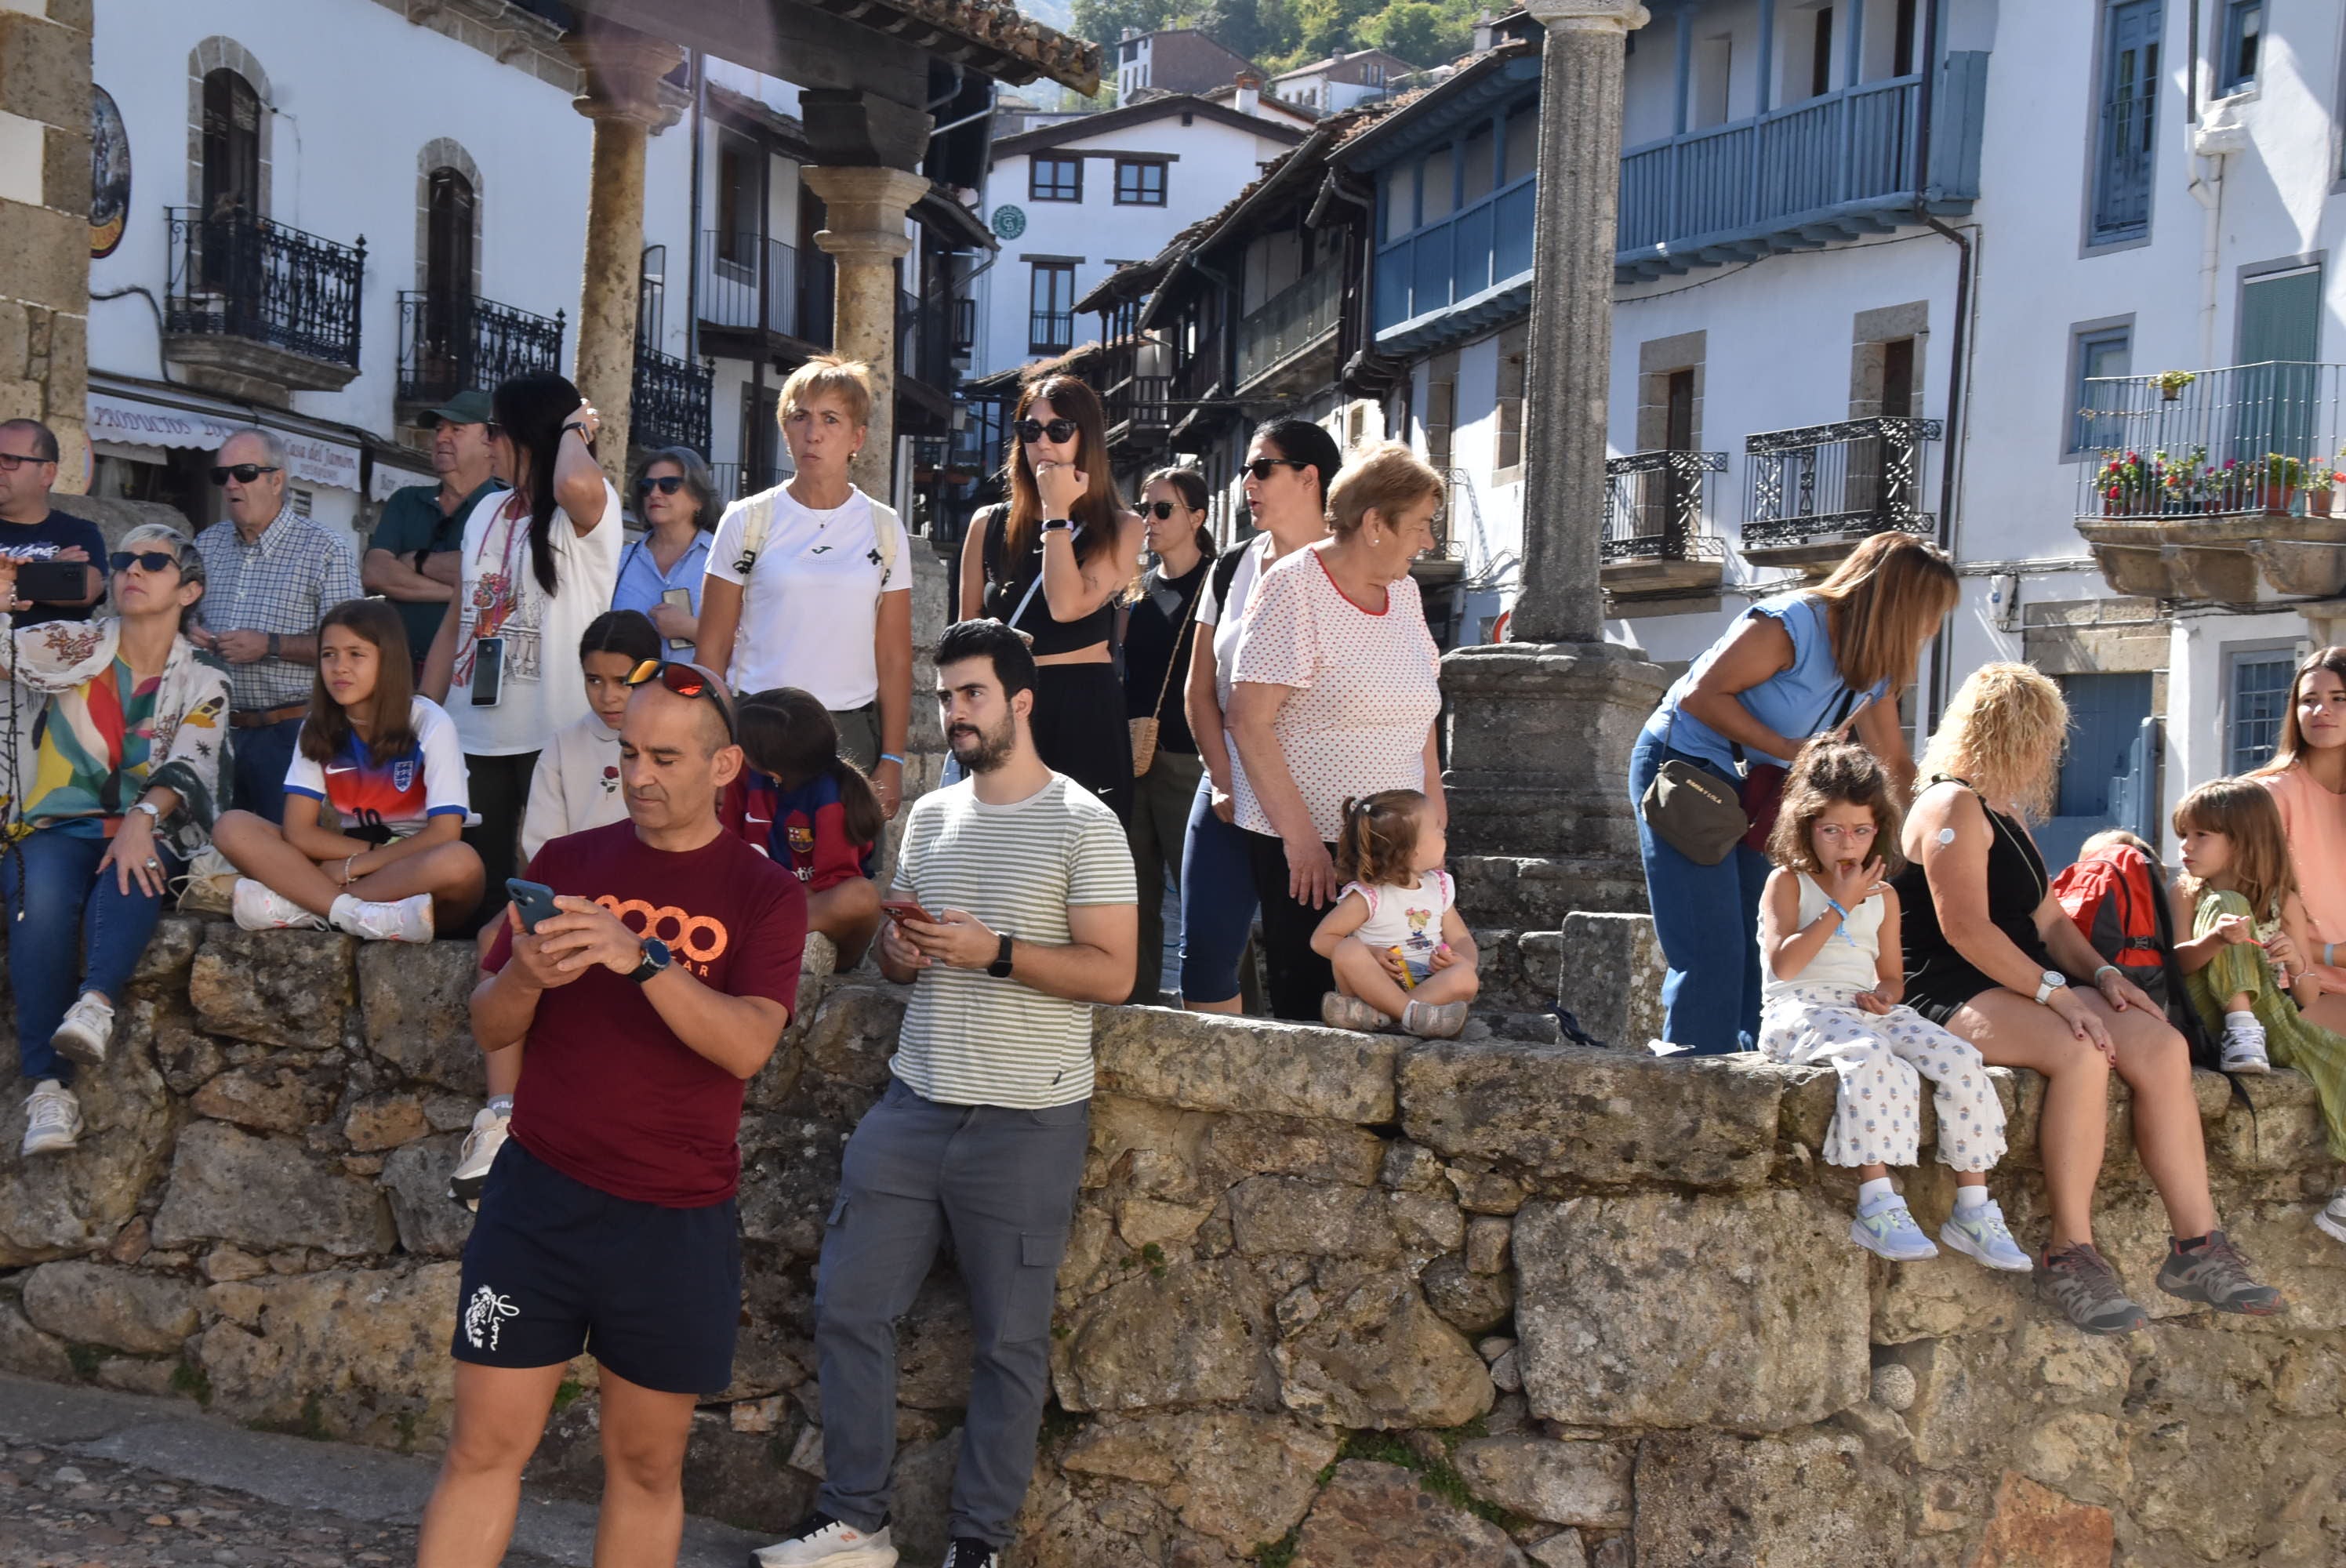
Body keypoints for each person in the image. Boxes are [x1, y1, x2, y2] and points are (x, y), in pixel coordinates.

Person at [755, 619, 1135, 1568]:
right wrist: (904, 948)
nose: (954, 713)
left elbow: (1114, 972)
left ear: (1020, 700)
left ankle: (978, 1546)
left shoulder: (1087, 822)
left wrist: (995, 951)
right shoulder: (928, 814)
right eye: (943, 698)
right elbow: (896, 961)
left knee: (1009, 1343)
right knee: (848, 1305)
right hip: (916, 1099)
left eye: (970, 694)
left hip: (1028, 1115)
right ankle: (856, 1520)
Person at [416, 660, 807, 1568]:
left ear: (723, 766)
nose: (638, 774)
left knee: (643, 1466)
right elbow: (489, 1020)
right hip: (537, 1202)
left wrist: (641, 959)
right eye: (629, 751)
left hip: (673, 1219)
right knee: (481, 1448)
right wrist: (524, 973)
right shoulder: (566, 863)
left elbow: (749, 1044)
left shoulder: (765, 894)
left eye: (665, 756)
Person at [1894, 662, 2283, 1334]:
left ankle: (2198, 1247)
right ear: (2014, 735)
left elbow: (2050, 924)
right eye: (2043, 739)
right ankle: (2070, 1249)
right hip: (1946, 984)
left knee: (2159, 1044)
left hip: (2024, 978)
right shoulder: (1948, 804)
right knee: (2080, 1051)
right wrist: (2057, 995)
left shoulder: (2004, 814)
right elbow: (1963, 929)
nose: (2050, 756)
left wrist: (2106, 978)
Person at [1629, 532, 1959, 1054]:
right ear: (1898, 604)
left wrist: (1952, 813)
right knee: (1712, 943)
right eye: (1930, 611)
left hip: (1758, 795)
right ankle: (1695, 1080)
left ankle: (1747, 1070)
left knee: (1756, 946)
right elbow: (1699, 697)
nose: (1932, 628)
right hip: (1689, 773)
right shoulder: (1790, 625)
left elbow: (1893, 762)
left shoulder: (1872, 670)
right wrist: (1789, 746)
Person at [1755, 736, 2029, 1270]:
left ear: (1878, 829)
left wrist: (1885, 997)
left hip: (1862, 1010)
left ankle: (1973, 1207)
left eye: (1860, 830)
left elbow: (1891, 978)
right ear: (1807, 827)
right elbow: (1783, 966)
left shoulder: (1886, 896)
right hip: (1801, 1011)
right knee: (1874, 1062)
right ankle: (1877, 1201)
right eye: (1832, 830)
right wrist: (1839, 904)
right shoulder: (1787, 882)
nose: (1846, 844)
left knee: (1958, 1059)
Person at [0, 527, 228, 1156]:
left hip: (154, 827)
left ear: (189, 589)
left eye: (152, 562)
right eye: (123, 560)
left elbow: (193, 762)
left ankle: (96, 1002)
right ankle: (50, 1089)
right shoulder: (75, 641)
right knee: (37, 895)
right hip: (58, 824)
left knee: (136, 866)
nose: (132, 569)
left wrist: (142, 819)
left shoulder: (203, 674)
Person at [448, 608, 664, 1206]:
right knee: (497, 941)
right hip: (572, 901)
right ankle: (501, 1115)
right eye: (595, 680)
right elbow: (541, 848)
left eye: (624, 680)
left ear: (654, 672)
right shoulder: (565, 746)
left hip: (648, 910)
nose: (608, 695)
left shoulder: (675, 742)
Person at [1227, 441, 1444, 1023]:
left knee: (1400, 1006)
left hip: (1397, 848)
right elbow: (1249, 720)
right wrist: (1301, 842)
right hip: (1312, 852)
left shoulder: (1406, 593)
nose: (1429, 542)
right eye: (1421, 526)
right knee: (1317, 1018)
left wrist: (1435, 821)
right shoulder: (1293, 585)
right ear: (1375, 523)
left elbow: (1421, 711)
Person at [422, 372, 620, 913]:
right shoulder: (485, 510)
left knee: (553, 884)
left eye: (494, 429)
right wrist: (425, 712)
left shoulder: (586, 509)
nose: (486, 441)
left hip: (553, 732)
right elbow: (456, 620)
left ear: (528, 434)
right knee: (474, 893)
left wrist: (574, 429)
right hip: (472, 732)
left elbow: (573, 485)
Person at [696, 357, 911, 815]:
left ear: (857, 438)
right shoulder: (746, 519)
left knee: (845, 880)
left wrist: (891, 758)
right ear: (785, 429)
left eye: (830, 419)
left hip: (849, 735)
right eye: (801, 417)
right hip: (757, 727)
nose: (814, 433)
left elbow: (893, 655)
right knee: (751, 873)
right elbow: (711, 648)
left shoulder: (885, 527)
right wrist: (710, 752)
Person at [1178, 418, 1341, 1014]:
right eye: (1246, 469)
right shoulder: (1230, 567)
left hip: (1317, 796)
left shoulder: (1348, 567)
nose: (1246, 481)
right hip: (1227, 786)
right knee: (1204, 959)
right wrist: (1221, 777)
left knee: (1309, 968)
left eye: (1261, 467)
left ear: (1309, 477)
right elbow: (1200, 691)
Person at [212, 598, 481, 943]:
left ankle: (307, 907)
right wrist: (361, 859)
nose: (339, 667)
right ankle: (351, 915)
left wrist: (357, 867)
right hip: (353, 856)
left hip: (416, 865)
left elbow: (444, 834)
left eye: (356, 654)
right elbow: (299, 832)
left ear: (388, 660)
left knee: (460, 863)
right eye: (329, 654)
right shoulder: (318, 725)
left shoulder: (429, 721)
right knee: (233, 826)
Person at [959, 375, 1145, 822]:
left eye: (1059, 430)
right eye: (1030, 430)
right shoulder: (987, 523)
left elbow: (1066, 606)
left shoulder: (1123, 527)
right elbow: (965, 634)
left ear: (1087, 439)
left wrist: (1056, 514)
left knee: (1083, 862)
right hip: (1008, 707)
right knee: (1003, 855)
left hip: (1083, 707)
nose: (1043, 441)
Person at [2168, 778, 2346, 1244]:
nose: (2186, 847)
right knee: (2229, 905)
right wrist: (2214, 939)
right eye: (2183, 835)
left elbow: (2306, 999)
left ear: (2244, 839)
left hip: (2272, 1016)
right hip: (2209, 1010)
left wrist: (2296, 960)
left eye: (2200, 835)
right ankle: (2239, 1024)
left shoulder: (2284, 900)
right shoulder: (2189, 891)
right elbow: (2177, 965)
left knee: (2339, 1060)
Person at [191, 427, 365, 826]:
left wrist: (268, 645)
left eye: (245, 472)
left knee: (287, 855)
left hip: (292, 732)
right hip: (215, 728)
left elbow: (351, 648)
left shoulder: (325, 549)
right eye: (222, 476)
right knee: (211, 857)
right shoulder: (205, 544)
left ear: (277, 480)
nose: (231, 484)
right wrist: (191, 631)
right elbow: (185, 616)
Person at [1120, 466, 1214, 1004]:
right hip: (1135, 758)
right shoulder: (1135, 587)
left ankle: (1229, 1007)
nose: (1148, 520)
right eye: (1144, 509)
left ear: (1197, 517)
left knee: (1206, 895)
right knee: (1133, 897)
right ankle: (1133, 1002)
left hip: (1191, 760)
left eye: (1163, 510)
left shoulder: (1219, 582)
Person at [732, 686, 884, 975]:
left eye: (743, 745)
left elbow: (833, 881)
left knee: (861, 896)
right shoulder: (743, 778)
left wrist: (778, 900)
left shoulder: (830, 797)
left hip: (808, 903)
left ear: (773, 769)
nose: (735, 749)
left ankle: (751, 938)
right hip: (757, 899)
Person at [1310, 788, 1477, 1039]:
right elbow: (1321, 939)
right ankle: (1410, 1015)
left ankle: (1384, 1017)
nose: (1443, 833)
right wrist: (1372, 953)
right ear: (1412, 852)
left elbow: (1461, 938)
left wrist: (1460, 961)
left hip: (1430, 984)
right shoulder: (1369, 896)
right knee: (1347, 949)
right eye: (1436, 827)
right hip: (1375, 984)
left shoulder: (1439, 887)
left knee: (1466, 977)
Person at [365, 391, 503, 675]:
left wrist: (417, 561)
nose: (441, 438)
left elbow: (494, 579)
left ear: (491, 444)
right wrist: (457, 593)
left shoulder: (507, 509)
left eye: (456, 430)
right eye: (439, 429)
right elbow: (376, 572)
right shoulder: (406, 500)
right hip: (397, 671)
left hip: (469, 675)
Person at [2252, 647, 2346, 1022]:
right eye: (2309, 700)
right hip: (2295, 984)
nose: (2321, 710)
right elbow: (2246, 911)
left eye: (2339, 698)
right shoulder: (2267, 795)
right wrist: (2323, 954)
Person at [0, 418, 105, 626]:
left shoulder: (77, 532)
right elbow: (67, 581)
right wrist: (50, 574)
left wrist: (10, 581)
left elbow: (85, 587)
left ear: (47, 473)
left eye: (10, 460)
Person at [615, 447, 715, 654]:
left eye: (668, 486)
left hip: (701, 685)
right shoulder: (620, 562)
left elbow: (753, 643)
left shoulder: (724, 558)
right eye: (647, 486)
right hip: (632, 686)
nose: (654, 493)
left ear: (698, 499)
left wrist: (691, 629)